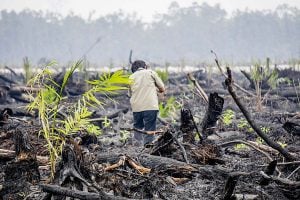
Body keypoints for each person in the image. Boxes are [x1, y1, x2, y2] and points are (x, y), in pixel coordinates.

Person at [129, 60, 165, 146]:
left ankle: (137, 148)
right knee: (150, 128)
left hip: (136, 107)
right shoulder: (150, 73)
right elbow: (162, 88)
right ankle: (148, 147)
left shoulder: (131, 77)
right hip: (150, 106)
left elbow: (130, 93)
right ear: (145, 66)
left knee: (137, 128)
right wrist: (156, 90)